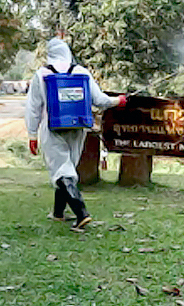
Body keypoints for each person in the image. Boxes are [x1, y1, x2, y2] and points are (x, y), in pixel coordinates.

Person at [25, 38, 126, 229]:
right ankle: (58, 213)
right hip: (78, 127)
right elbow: (100, 100)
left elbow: (33, 108)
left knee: (61, 169)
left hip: (52, 127)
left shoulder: (41, 74)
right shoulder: (81, 71)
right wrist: (118, 101)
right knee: (67, 167)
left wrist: (32, 134)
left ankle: (81, 213)